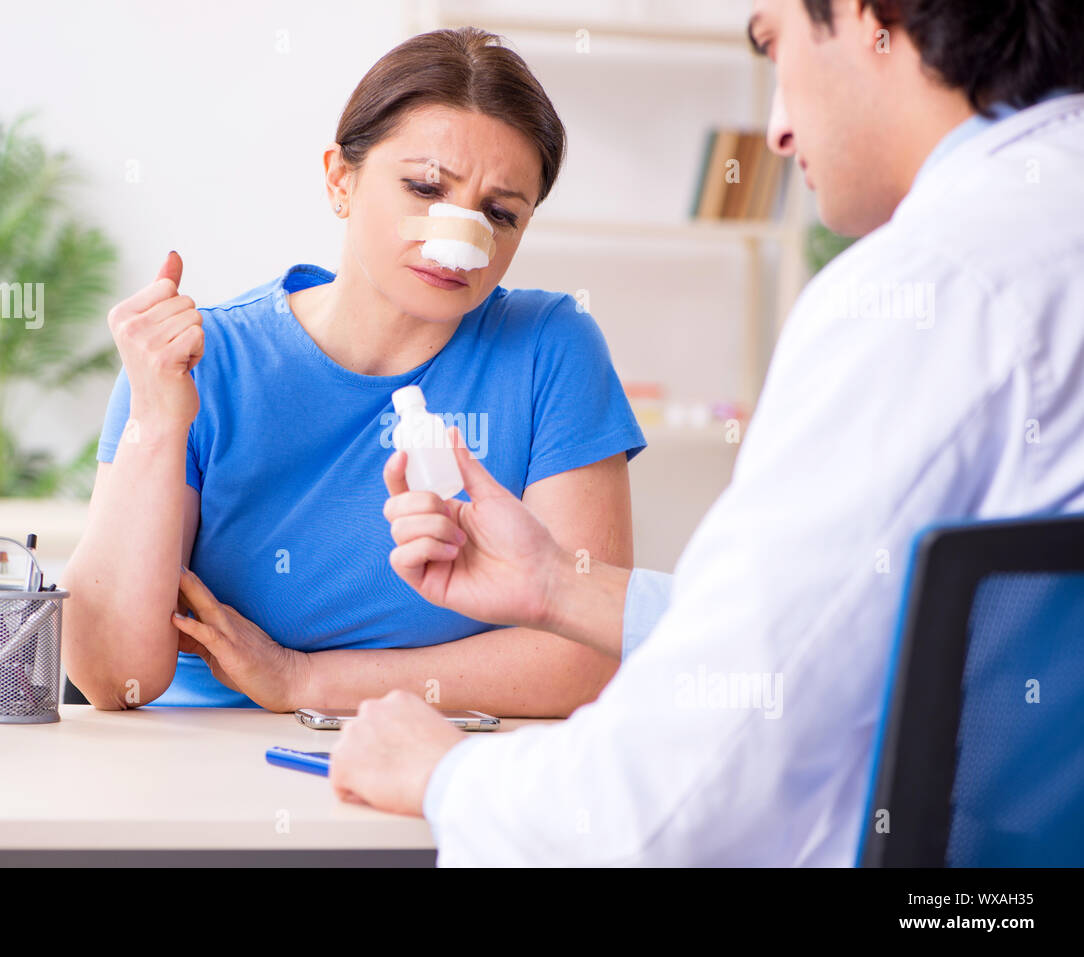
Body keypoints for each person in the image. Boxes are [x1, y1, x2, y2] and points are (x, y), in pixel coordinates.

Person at [330, 0, 1084, 865]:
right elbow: (864, 629)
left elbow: (676, 804)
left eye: (772, 44)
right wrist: (553, 585)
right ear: (339, 180)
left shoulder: (937, 292)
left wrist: (446, 775)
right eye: (425, 186)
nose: (776, 131)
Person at [61, 27, 647, 716]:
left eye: (498, 213)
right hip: (203, 772)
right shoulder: (195, 362)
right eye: (426, 187)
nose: (459, 240)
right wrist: (159, 423)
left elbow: (586, 656)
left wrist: (302, 681)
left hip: (436, 768)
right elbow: (112, 677)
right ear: (341, 179)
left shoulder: (551, 348)